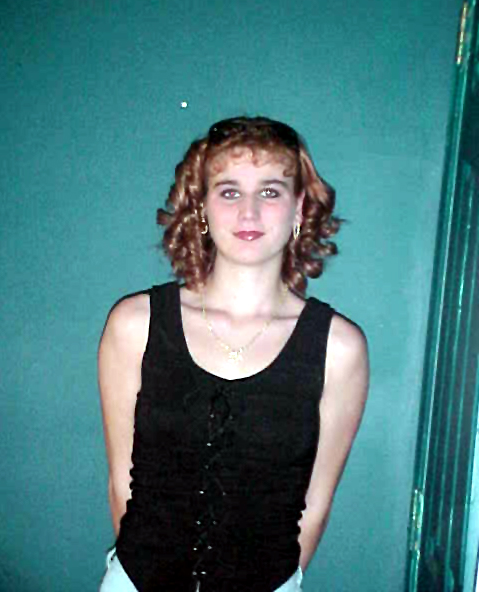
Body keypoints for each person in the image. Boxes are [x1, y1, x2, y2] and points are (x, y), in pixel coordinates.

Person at [98, 116, 369, 592]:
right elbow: (122, 482)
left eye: (269, 191)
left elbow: (316, 504)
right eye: (229, 191)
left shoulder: (339, 348)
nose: (249, 212)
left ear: (298, 208)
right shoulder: (134, 325)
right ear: (202, 207)